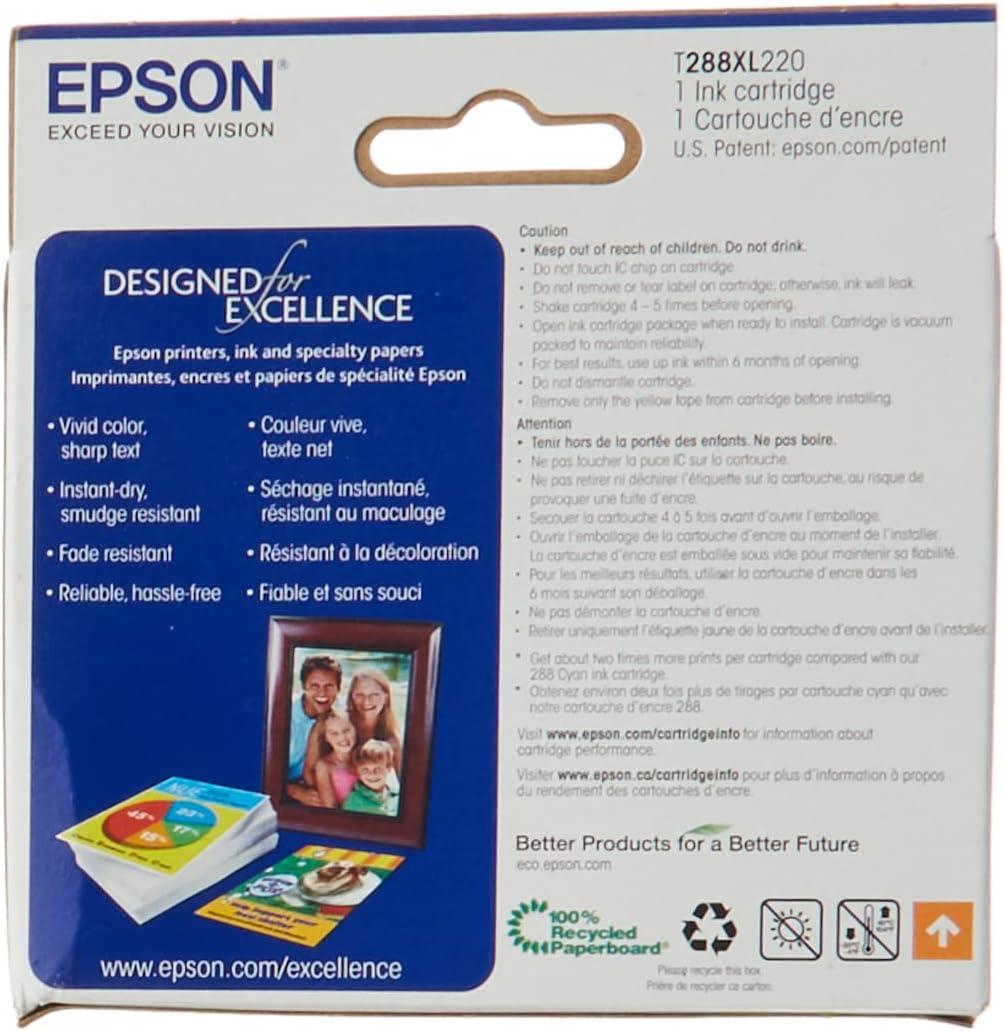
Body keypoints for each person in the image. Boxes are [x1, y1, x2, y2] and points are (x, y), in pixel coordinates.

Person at [287, 655, 342, 806]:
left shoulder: (339, 718)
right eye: (314, 686)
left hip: (316, 783)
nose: (322, 693)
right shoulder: (285, 717)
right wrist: (295, 791)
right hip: (284, 788)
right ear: (304, 687)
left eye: (329, 686)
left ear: (338, 688)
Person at [346, 667, 403, 774]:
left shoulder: (394, 741)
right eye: (359, 695)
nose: (367, 701)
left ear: (386, 697)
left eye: (374, 695)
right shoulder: (339, 729)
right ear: (351, 697)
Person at [342, 739, 400, 817]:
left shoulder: (397, 795)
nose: (372, 774)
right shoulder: (353, 802)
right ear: (358, 772)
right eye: (365, 770)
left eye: (378, 769)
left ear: (389, 768)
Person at [314, 713, 358, 808]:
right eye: (334, 733)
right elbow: (330, 807)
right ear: (326, 738)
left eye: (346, 730)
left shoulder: (365, 756)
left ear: (354, 729)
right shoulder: (324, 766)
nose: (342, 737)